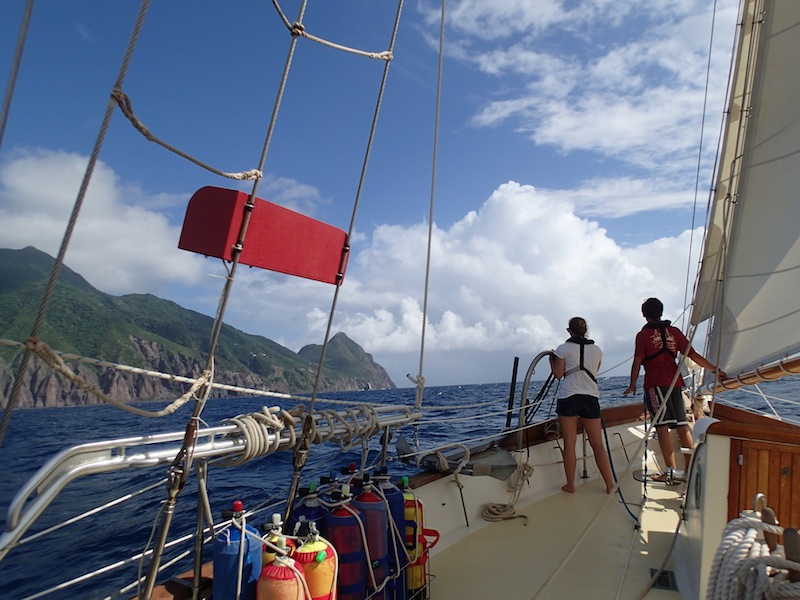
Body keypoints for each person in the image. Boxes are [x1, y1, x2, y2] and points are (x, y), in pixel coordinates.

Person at [623, 298, 727, 479]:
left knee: (662, 427)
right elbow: (693, 355)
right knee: (682, 424)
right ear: (661, 312)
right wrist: (714, 370)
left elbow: (637, 362)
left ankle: (669, 472)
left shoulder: (642, 336)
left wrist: (632, 384)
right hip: (675, 383)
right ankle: (691, 470)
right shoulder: (675, 332)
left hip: (655, 384)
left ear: (644, 314)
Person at [550, 317, 615, 494]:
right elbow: (595, 371)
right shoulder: (597, 350)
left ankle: (570, 485)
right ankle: (610, 484)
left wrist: (552, 360)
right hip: (590, 397)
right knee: (597, 444)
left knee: (569, 443)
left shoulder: (563, 349)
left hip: (568, 397)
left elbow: (558, 374)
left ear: (569, 331)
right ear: (585, 330)